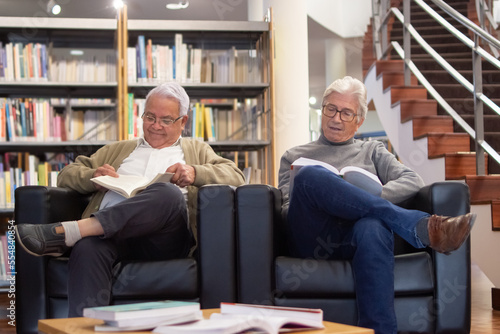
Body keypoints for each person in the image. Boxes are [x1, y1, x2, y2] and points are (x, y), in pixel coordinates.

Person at [16, 81, 245, 316]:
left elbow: (236, 176)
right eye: (150, 117)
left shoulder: (196, 149)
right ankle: (83, 329)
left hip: (164, 240)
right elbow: (66, 175)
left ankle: (74, 230)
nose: (155, 126)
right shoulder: (119, 149)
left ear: (183, 122)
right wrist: (92, 176)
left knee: (166, 192)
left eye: (166, 120)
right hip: (113, 238)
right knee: (87, 248)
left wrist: (195, 172)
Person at [277, 76, 476, 334]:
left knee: (372, 224)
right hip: (313, 238)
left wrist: (364, 201)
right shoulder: (295, 155)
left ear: (359, 121)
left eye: (347, 113)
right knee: (309, 176)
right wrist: (327, 197)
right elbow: (285, 211)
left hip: (357, 236)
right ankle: (418, 227)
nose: (336, 118)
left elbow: (412, 179)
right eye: (331, 109)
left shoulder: (372, 151)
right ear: (322, 109)